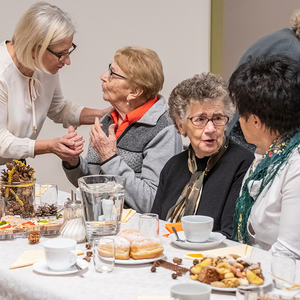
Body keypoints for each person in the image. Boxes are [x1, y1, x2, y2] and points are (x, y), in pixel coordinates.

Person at [62, 46, 183, 213]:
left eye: (113, 74)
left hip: (136, 232)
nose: (103, 77)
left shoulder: (164, 129)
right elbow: (93, 185)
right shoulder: (108, 119)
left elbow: (151, 201)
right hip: (101, 222)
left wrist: (110, 158)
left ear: (134, 91)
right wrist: (73, 162)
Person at [0, 2, 110, 166]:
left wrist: (104, 115)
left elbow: (58, 108)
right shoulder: (2, 73)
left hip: (13, 167)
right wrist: (51, 146)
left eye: (69, 51)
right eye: (60, 54)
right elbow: (1, 141)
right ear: (34, 48)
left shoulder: (41, 65)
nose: (67, 61)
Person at [151, 73, 254, 238]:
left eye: (218, 118)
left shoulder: (243, 163)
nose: (211, 128)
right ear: (181, 125)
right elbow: (154, 226)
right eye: (200, 119)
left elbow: (231, 235)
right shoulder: (173, 166)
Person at [229, 54, 300, 258]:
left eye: (240, 114)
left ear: (255, 121)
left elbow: (289, 253)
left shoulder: (295, 164)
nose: (238, 121)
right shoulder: (266, 154)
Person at [227, 9, 300, 153]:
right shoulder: (289, 51)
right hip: (251, 136)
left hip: (248, 127)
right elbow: (279, 106)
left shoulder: (285, 39)